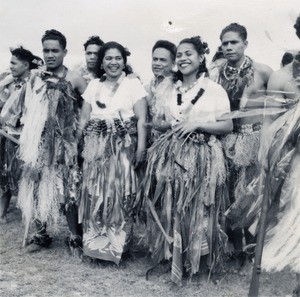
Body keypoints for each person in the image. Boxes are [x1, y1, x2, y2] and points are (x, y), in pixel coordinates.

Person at [142, 36, 232, 285]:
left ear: (201, 57)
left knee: (200, 208)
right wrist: (171, 124)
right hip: (172, 155)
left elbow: (227, 125)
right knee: (173, 206)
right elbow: (157, 122)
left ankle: (201, 264)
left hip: (203, 157)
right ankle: (176, 261)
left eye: (188, 54)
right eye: (179, 54)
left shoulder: (214, 90)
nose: (182, 58)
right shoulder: (168, 88)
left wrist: (198, 123)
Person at [210, 23, 273, 272]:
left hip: (255, 142)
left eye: (233, 42)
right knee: (229, 198)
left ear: (245, 43)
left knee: (251, 198)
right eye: (224, 43)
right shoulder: (215, 74)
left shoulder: (263, 72)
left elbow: (284, 104)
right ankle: (236, 250)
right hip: (226, 142)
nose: (228, 47)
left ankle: (254, 253)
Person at [77, 41, 147, 264]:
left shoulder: (133, 84)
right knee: (95, 193)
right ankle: (96, 249)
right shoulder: (94, 85)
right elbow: (84, 118)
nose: (113, 62)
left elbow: (143, 119)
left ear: (124, 60)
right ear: (102, 62)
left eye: (118, 58)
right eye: (108, 58)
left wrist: (141, 149)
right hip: (96, 148)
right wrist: (76, 144)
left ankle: (117, 249)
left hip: (122, 148)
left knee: (120, 193)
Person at [17, 29, 87, 253]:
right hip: (37, 143)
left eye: (55, 50)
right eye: (46, 50)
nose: (50, 55)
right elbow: (27, 108)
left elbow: (90, 107)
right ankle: (41, 234)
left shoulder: (75, 78)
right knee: (36, 186)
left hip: (65, 144)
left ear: (65, 51)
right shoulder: (35, 77)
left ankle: (75, 237)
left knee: (67, 188)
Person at [0, 47, 41, 223]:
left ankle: (32, 213)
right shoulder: (10, 82)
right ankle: (2, 209)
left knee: (26, 175)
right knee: (4, 171)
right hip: (7, 133)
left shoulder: (34, 83)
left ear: (25, 65)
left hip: (25, 136)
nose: (11, 66)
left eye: (13, 63)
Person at [146, 40, 176, 141]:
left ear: (173, 63)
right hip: (151, 141)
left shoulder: (179, 86)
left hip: (174, 140)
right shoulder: (146, 88)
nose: (157, 63)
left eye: (163, 60)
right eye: (155, 59)